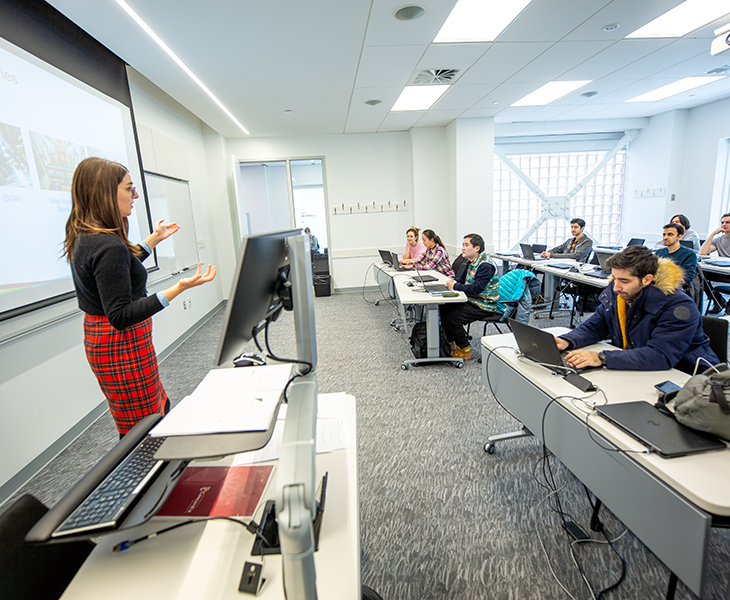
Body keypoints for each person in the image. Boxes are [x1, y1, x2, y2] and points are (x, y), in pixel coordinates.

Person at [64, 157, 217, 437]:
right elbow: (121, 315)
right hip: (120, 343)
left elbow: (121, 269)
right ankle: (147, 476)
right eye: (129, 188)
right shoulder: (108, 245)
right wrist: (178, 288)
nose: (135, 195)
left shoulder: (87, 234)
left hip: (105, 340)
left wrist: (153, 240)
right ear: (105, 193)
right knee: (145, 426)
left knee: (147, 413)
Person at [555, 246, 717, 373]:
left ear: (647, 279)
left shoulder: (678, 306)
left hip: (686, 375)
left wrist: (602, 358)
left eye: (624, 281)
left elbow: (660, 356)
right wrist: (567, 341)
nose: (616, 286)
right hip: (641, 366)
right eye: (614, 278)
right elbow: (596, 326)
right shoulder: (619, 290)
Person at [441, 233, 501, 360]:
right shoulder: (471, 262)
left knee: (453, 318)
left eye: (466, 245)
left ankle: (465, 349)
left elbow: (476, 289)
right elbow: (461, 280)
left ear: (477, 248)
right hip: (473, 300)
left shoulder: (485, 265)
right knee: (444, 309)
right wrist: (452, 282)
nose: (463, 248)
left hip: (484, 304)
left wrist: (455, 287)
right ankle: (452, 343)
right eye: (463, 245)